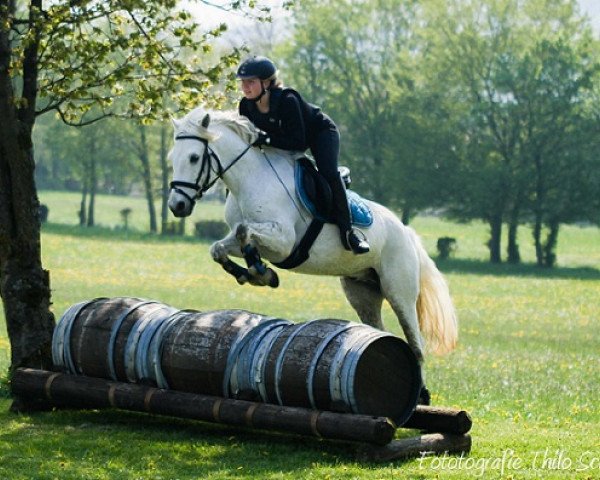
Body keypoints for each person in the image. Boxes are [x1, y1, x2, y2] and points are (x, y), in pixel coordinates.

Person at [236, 56, 370, 254]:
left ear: (267, 83)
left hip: (320, 133)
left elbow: (298, 143)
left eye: (251, 82)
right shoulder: (245, 106)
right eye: (243, 82)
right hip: (284, 141)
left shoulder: (287, 100)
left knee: (327, 172)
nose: (245, 87)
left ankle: (349, 232)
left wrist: (267, 140)